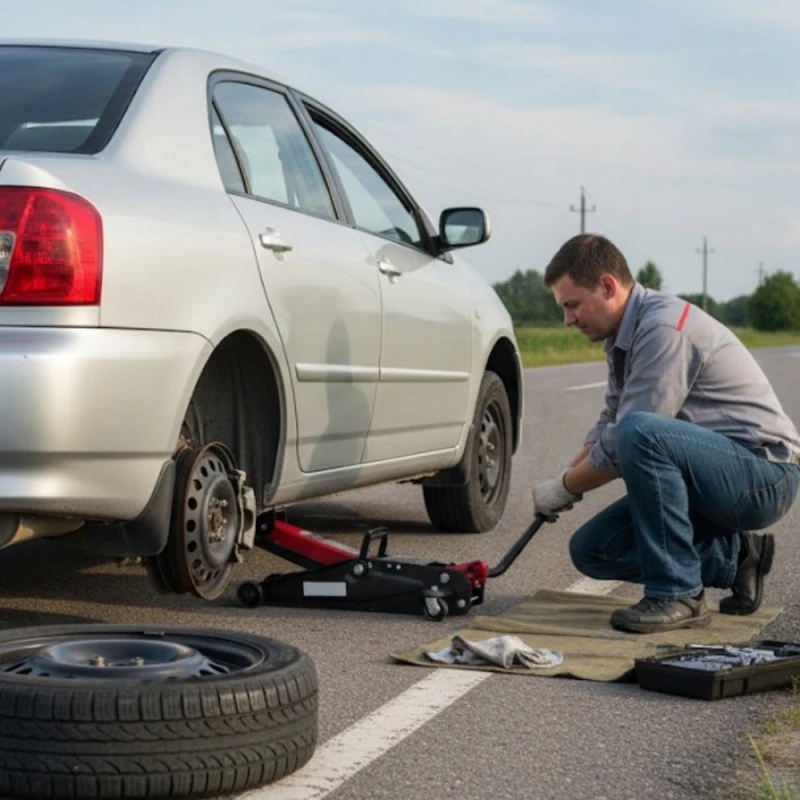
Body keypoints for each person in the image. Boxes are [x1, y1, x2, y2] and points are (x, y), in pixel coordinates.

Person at [532, 234, 800, 634]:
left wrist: (569, 487)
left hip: (764, 477)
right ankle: (739, 556)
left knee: (641, 432)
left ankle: (678, 592)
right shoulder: (624, 331)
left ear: (608, 286)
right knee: (592, 549)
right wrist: (565, 477)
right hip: (710, 479)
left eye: (572, 305)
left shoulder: (663, 328)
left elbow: (631, 436)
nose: (568, 319)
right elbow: (611, 417)